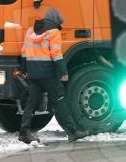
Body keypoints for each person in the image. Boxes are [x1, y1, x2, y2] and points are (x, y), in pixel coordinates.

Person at [19, 8, 88, 143]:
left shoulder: (30, 30)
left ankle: (24, 132)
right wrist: (63, 72)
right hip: (48, 73)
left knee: (31, 102)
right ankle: (72, 132)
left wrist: (24, 70)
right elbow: (56, 54)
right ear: (55, 21)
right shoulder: (54, 32)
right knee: (59, 100)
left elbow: (24, 51)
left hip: (33, 73)